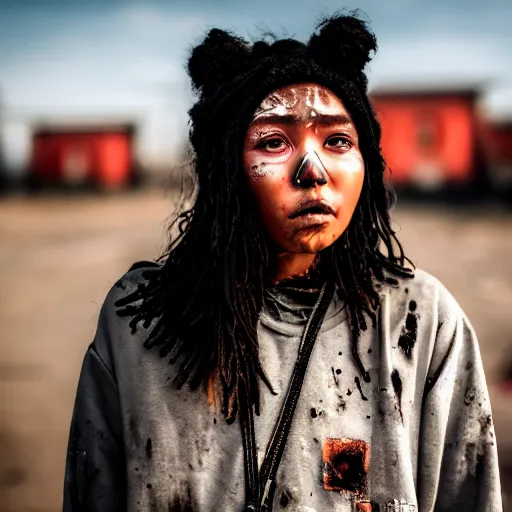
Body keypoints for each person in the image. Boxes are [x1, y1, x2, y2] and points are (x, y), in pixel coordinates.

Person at [63, 13, 502, 512]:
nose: (313, 171)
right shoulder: (141, 327)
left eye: (338, 141)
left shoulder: (421, 321)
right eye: (274, 142)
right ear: (228, 169)